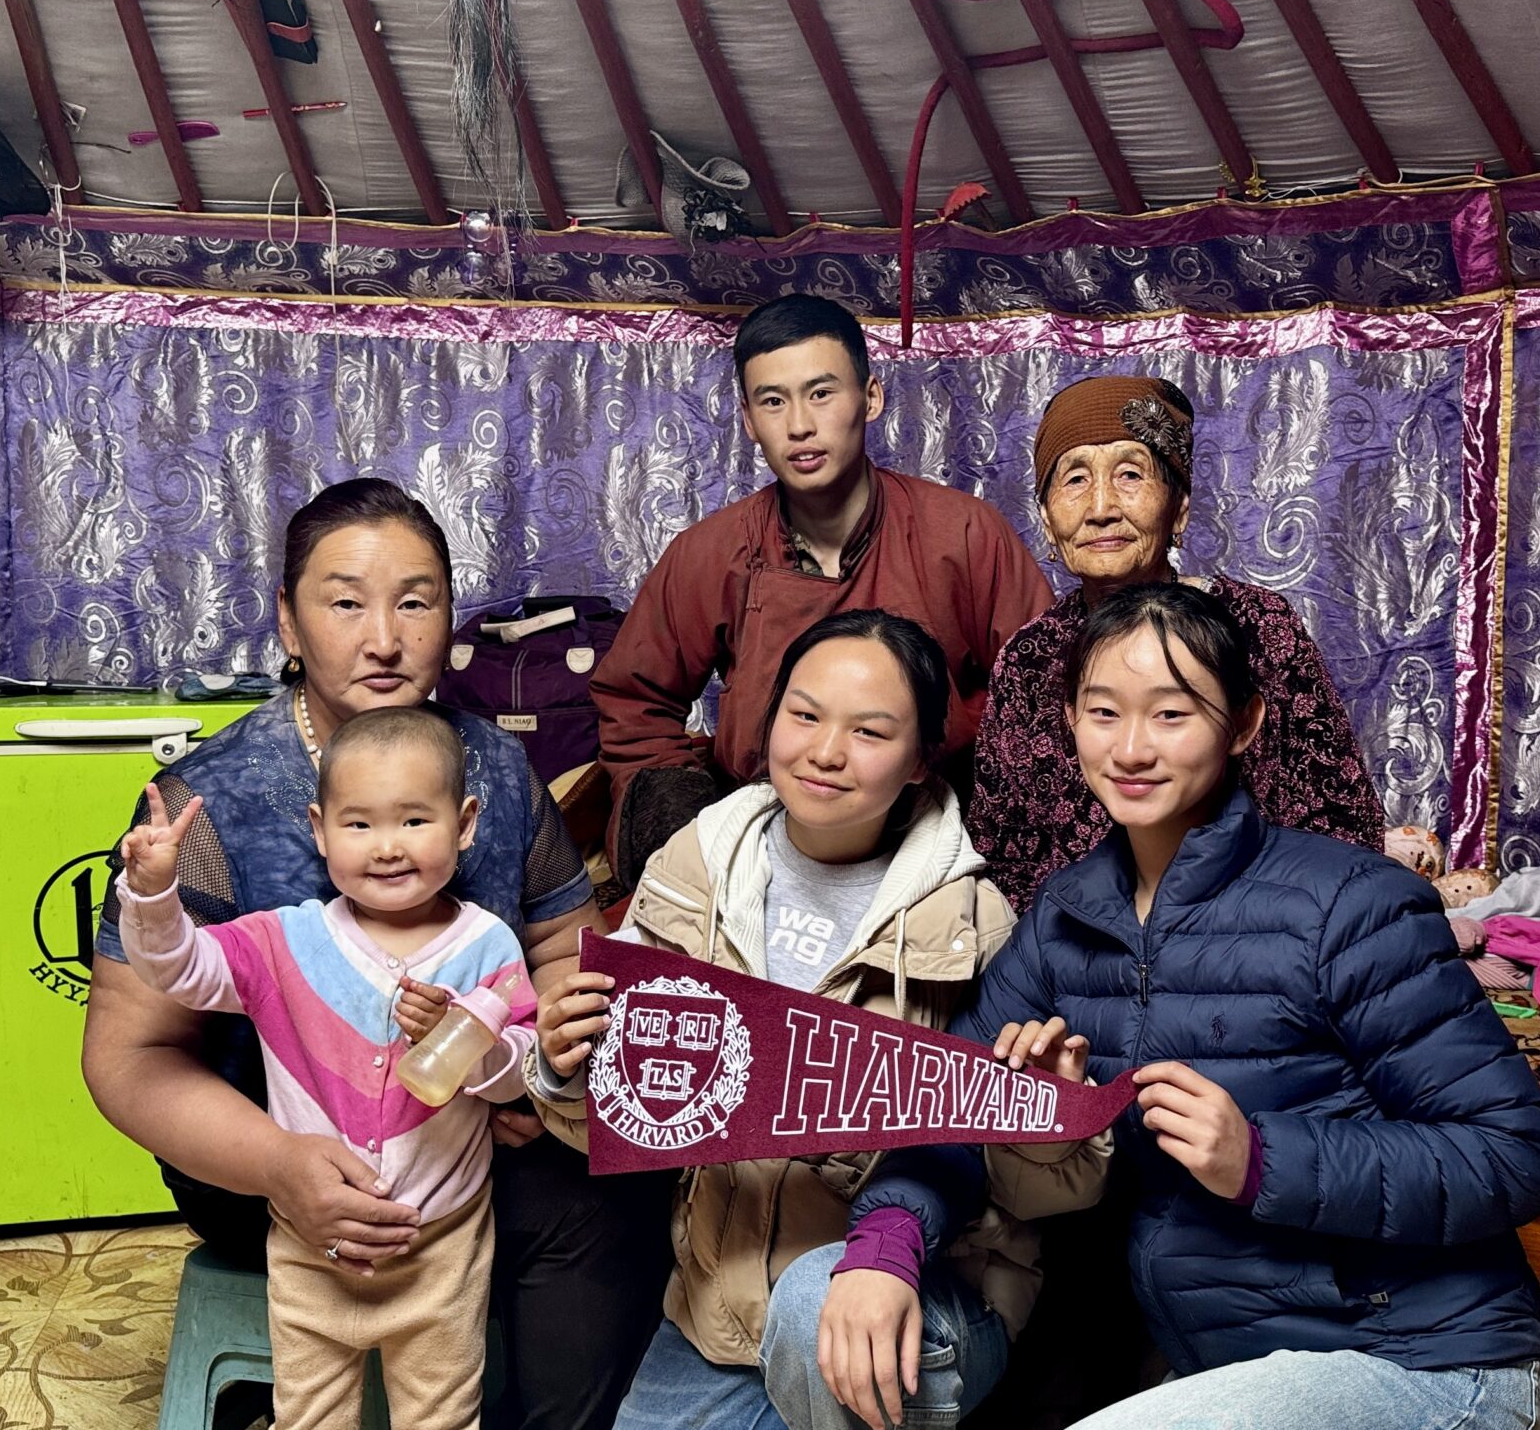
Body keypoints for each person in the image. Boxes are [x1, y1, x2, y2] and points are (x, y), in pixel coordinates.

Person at [853, 583, 1540, 1429]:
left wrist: (1260, 1160)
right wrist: (887, 1240)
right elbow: (949, 1102)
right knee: (827, 1312)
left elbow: (1512, 1153)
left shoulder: (1350, 902)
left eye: (1172, 714)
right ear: (1070, 720)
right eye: (1104, 711)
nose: (1132, 748)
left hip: (1421, 1358)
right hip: (1215, 1370)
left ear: (1245, 724)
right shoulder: (1063, 918)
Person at [81, 478, 672, 1430]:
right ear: (288, 620)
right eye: (345, 601)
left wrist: (535, 1072)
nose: (385, 638)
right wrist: (278, 1164)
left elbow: (565, 951)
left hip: (466, 1144)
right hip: (267, 1162)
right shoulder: (208, 802)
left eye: (416, 599)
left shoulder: (491, 770)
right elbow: (126, 1059)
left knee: (609, 1200)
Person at [534, 611, 1105, 1430]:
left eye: (870, 731)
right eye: (804, 715)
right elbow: (624, 1121)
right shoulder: (691, 869)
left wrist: (1044, 1123)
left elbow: (1032, 1186)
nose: (826, 750)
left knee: (812, 1304)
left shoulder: (973, 921)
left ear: (918, 762)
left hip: (921, 1298)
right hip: (718, 1312)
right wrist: (563, 1069)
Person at [116, 707, 535, 1430]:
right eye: (359, 823)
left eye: (414, 821)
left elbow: (516, 1075)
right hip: (312, 1248)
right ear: (320, 830)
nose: (387, 847)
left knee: (444, 1417)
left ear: (464, 824)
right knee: (309, 1416)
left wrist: (470, 1039)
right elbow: (179, 969)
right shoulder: (284, 941)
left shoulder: (487, 946)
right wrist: (154, 893)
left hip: (442, 1250)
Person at [592, 293, 1053, 887]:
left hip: (936, 827)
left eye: (821, 392)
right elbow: (633, 703)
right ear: (748, 419)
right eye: (773, 401)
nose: (800, 425)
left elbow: (1042, 687)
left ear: (871, 396)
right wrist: (688, 829)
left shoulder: (962, 533)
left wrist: (965, 793)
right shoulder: (710, 552)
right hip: (765, 832)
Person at [969, 374, 1382, 915]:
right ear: (1047, 520)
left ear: (1180, 508)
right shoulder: (1031, 657)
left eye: (1130, 474)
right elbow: (1001, 851)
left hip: (1254, 941)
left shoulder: (1256, 627)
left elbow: (1339, 820)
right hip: (1078, 950)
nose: (1100, 508)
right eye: (1074, 479)